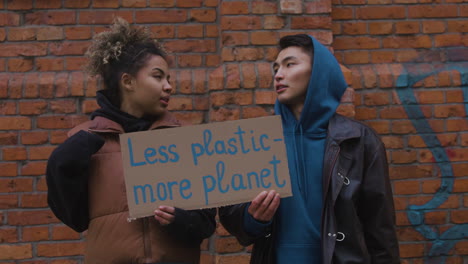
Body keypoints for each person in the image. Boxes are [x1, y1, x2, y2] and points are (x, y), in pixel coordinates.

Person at [46, 18, 216, 264]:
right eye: (158, 77)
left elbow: (207, 224)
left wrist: (181, 219)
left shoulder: (186, 139)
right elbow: (74, 218)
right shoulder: (84, 142)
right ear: (128, 82)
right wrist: (60, 165)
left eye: (169, 79)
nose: (168, 86)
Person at [218, 34, 400, 264]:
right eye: (276, 67)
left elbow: (380, 231)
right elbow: (231, 218)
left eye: (290, 64)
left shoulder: (360, 141)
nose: (278, 74)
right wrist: (253, 218)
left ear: (318, 73)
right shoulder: (258, 141)